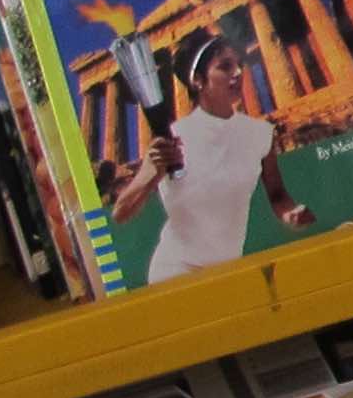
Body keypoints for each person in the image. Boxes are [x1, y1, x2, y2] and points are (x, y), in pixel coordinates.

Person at [102, 30, 308, 283]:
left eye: (239, 65)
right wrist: (148, 175)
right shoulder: (171, 137)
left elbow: (277, 195)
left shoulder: (261, 134)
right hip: (175, 271)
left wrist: (291, 213)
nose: (238, 73)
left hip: (228, 271)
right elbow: (120, 214)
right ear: (198, 80)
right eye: (225, 67)